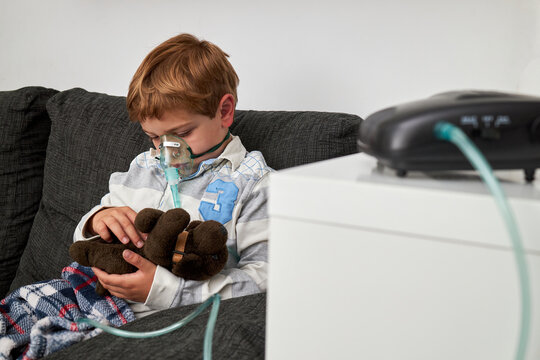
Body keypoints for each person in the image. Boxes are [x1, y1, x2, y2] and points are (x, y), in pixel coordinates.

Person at [73, 33, 271, 318]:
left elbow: (262, 281)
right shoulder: (144, 167)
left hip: (170, 318)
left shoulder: (251, 185)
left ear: (224, 112)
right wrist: (97, 220)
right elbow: (87, 241)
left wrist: (165, 290)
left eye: (181, 135)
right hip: (94, 300)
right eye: (154, 137)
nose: (166, 154)